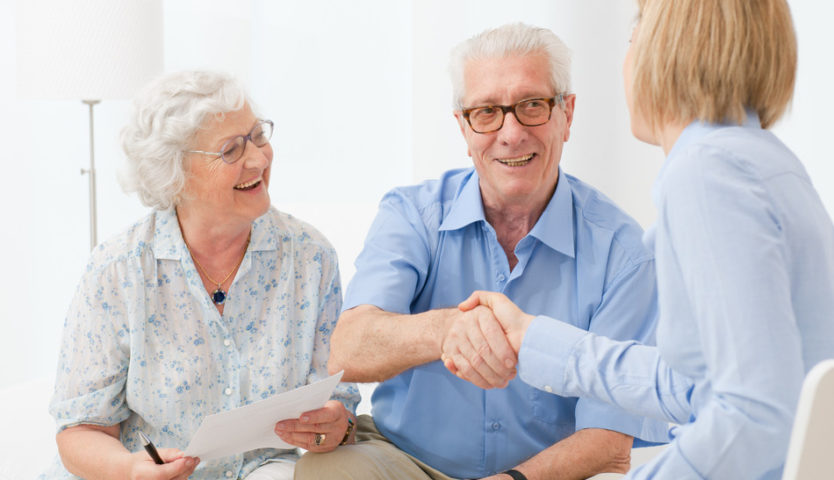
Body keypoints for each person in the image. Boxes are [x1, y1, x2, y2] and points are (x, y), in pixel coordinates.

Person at [454, 1, 834, 479]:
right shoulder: (764, 161)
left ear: (667, 48)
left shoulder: (706, 174)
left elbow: (753, 412)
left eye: (634, 32)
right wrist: (533, 339)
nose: (625, 56)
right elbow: (695, 385)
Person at [295, 23, 669, 480]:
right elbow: (346, 349)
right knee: (329, 472)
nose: (510, 134)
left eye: (532, 105)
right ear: (463, 127)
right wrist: (447, 329)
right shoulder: (413, 214)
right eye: (487, 112)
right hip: (406, 461)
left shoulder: (625, 253)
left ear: (567, 114)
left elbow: (607, 438)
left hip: (540, 475)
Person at [40, 70, 359, 480]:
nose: (259, 159)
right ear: (175, 175)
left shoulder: (310, 258)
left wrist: (335, 427)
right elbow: (80, 429)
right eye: (231, 151)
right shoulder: (118, 271)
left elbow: (340, 404)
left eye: (258, 136)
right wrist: (129, 469)